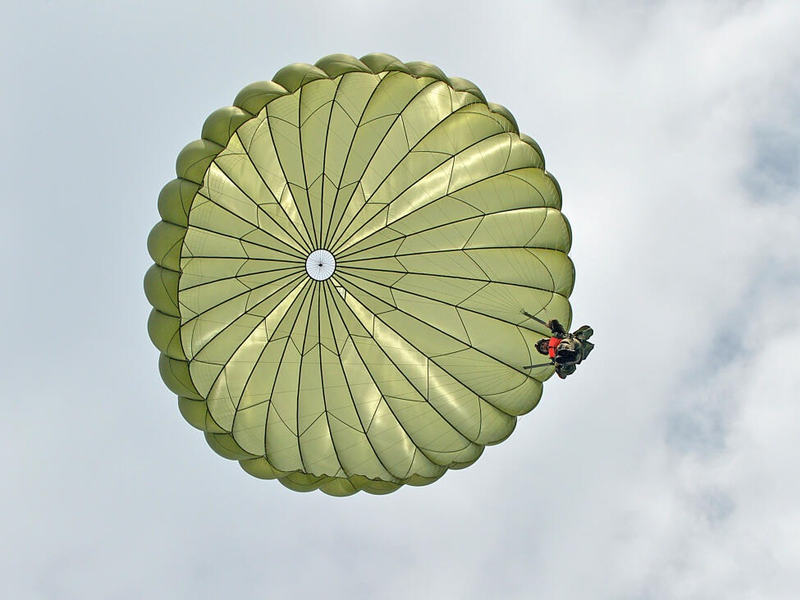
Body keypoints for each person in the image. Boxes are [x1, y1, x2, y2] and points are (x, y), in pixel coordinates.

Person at [524, 312, 594, 379]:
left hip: (573, 344)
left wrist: (550, 324)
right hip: (577, 357)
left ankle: (567, 352)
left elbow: (555, 323)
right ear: (546, 352)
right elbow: (563, 376)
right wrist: (558, 366)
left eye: (543, 344)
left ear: (547, 340)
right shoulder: (555, 358)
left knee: (561, 347)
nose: (544, 346)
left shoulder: (559, 335)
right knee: (560, 361)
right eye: (543, 349)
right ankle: (568, 358)